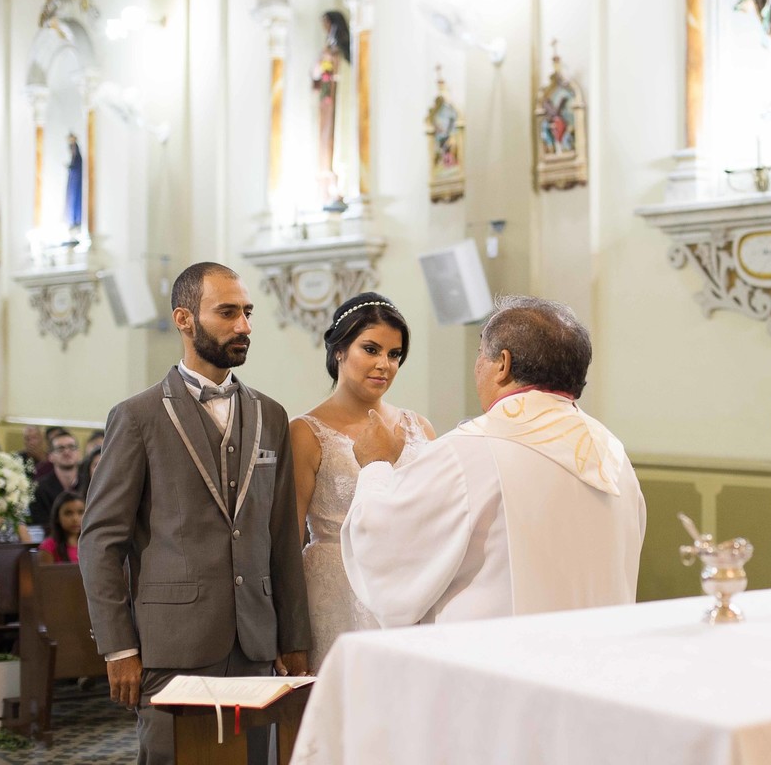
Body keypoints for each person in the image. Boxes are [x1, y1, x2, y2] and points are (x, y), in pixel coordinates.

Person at [79, 261, 311, 765]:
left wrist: (293, 636)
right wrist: (119, 649)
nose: (244, 326)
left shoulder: (270, 415)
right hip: (171, 646)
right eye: (227, 312)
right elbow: (100, 540)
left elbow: (282, 537)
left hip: (255, 644)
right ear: (184, 319)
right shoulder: (137, 416)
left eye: (247, 313)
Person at [341, 295, 647, 627]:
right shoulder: (613, 454)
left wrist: (376, 466)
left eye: (479, 355)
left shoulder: (471, 451)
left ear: (502, 364)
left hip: (497, 664)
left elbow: (384, 552)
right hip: (594, 663)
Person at [291, 293, 436, 670]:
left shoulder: (419, 427)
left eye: (394, 354)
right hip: (336, 590)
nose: (383, 365)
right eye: (370, 349)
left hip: (410, 585)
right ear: (339, 349)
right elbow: (288, 540)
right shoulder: (306, 432)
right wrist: (288, 632)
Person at [312, 10, 353, 212]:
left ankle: (341, 185)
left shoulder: (340, 52)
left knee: (339, 139)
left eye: (327, 24)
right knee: (325, 140)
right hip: (326, 103)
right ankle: (326, 188)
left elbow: (343, 69)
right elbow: (316, 76)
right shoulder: (326, 51)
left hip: (338, 98)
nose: (325, 29)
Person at [28, 431, 81, 527]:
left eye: (71, 447)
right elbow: (40, 523)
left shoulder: (91, 485)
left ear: (79, 453)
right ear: (50, 456)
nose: (67, 452)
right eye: (60, 448)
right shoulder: (39, 488)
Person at [40, 491, 84, 564]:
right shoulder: (48, 547)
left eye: (80, 512)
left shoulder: (91, 544)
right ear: (57, 517)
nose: (75, 519)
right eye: (68, 513)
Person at [65, 132, 83, 230]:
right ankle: (73, 220)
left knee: (75, 197)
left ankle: (76, 220)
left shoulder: (76, 150)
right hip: (74, 176)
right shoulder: (73, 149)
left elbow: (77, 163)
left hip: (76, 177)